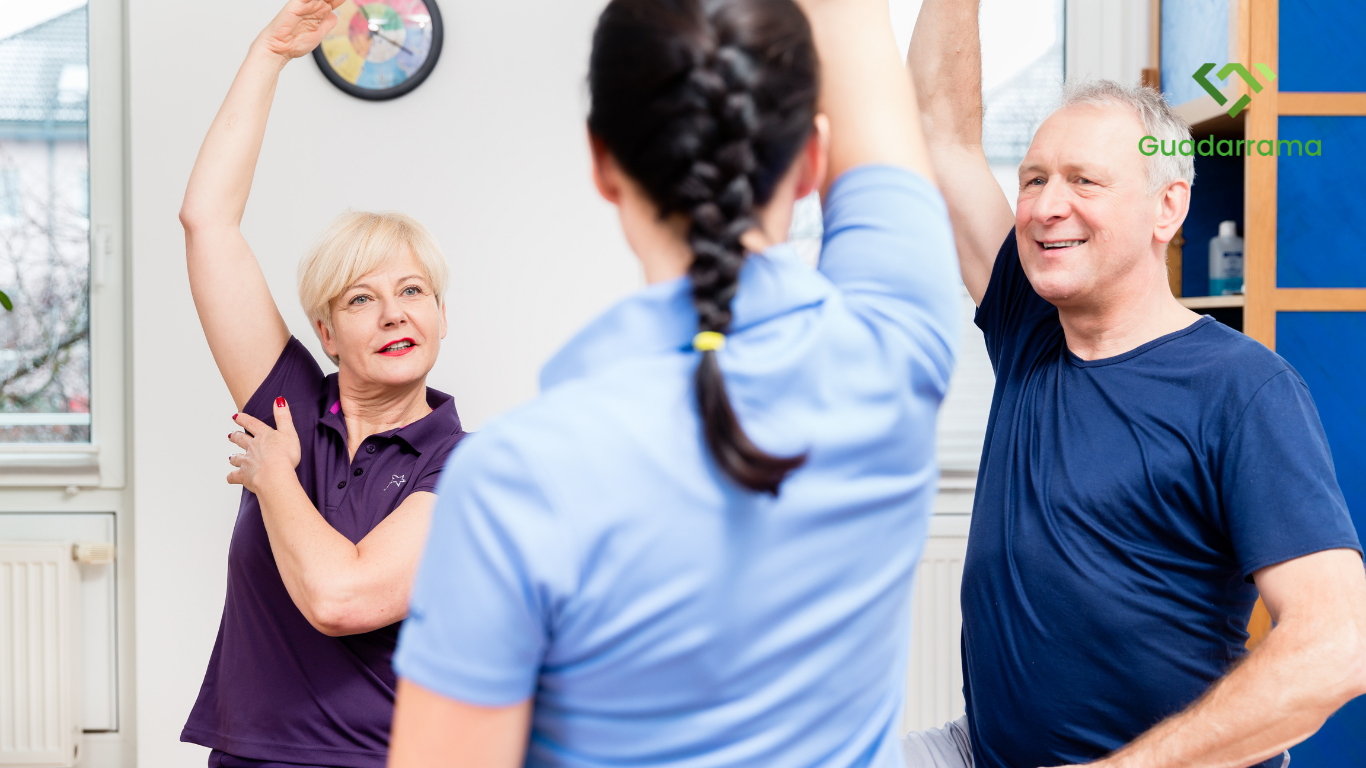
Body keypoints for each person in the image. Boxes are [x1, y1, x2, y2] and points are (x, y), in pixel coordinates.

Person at [386, 0, 960, 765]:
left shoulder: (515, 481)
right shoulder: (898, 353)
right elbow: (853, 24)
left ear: (601, 163)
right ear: (812, 161)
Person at [900, 1, 1366, 767]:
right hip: (981, 750)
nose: (1049, 206)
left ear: (1168, 207)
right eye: (1034, 179)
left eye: (1085, 180)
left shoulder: (1243, 391)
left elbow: (1337, 644)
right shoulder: (1028, 325)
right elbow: (941, 135)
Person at [176, 2, 466, 766]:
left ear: (441, 316)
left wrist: (275, 479)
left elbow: (346, 599)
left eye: (412, 291)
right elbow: (208, 221)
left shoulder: (466, 466)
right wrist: (268, 55)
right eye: (361, 298)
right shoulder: (291, 403)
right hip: (245, 756)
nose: (393, 313)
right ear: (328, 335)